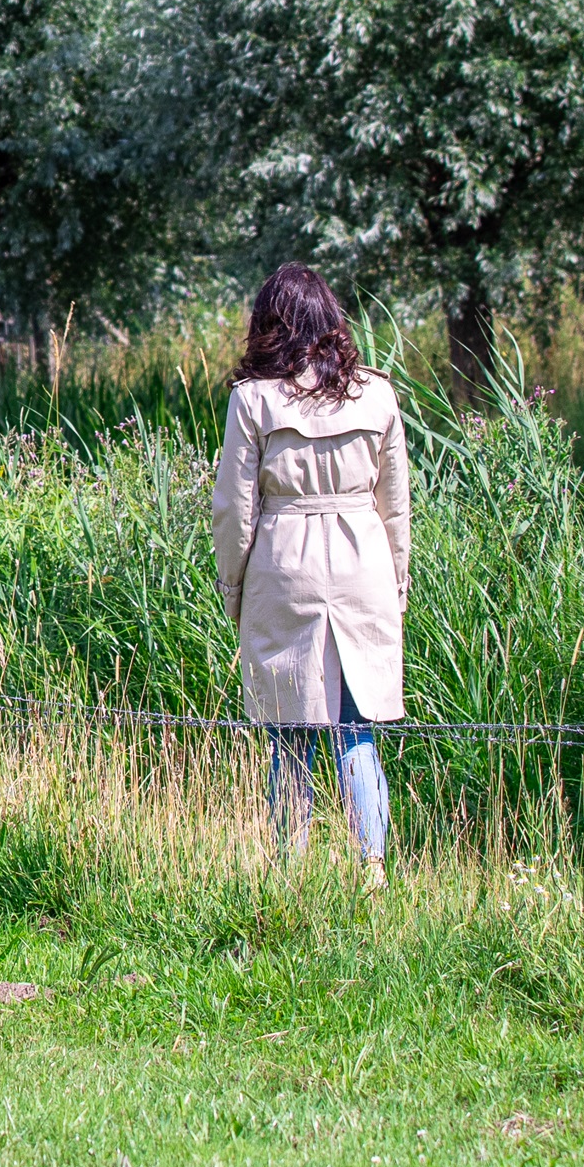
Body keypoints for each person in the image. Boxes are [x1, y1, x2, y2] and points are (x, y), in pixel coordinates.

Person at [209, 263, 410, 884]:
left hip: (284, 564)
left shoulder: (254, 400)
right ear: (333, 321)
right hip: (363, 561)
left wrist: (235, 591)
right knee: (357, 728)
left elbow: (233, 511)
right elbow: (395, 505)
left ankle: (288, 869)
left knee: (287, 729)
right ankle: (372, 869)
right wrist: (395, 586)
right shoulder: (377, 393)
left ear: (269, 324)